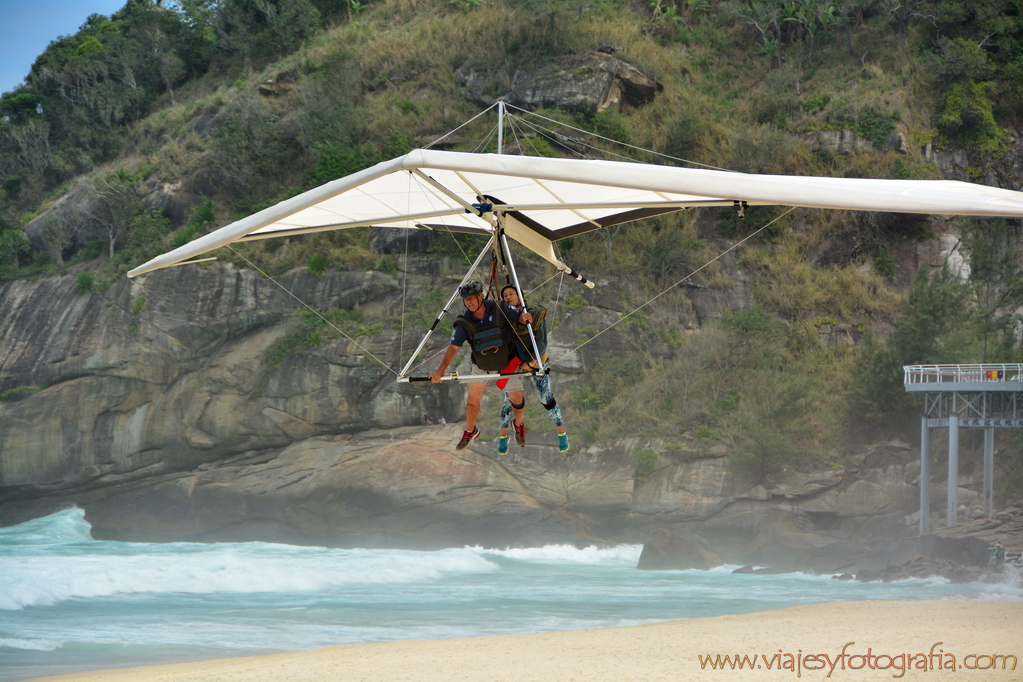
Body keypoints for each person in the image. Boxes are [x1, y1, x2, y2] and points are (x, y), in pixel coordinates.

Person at [430, 280, 533, 450]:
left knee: (517, 399)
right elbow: (454, 347)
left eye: (472, 298)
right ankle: (471, 431)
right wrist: (440, 370)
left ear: (480, 296)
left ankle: (518, 425)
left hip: (506, 363)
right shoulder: (464, 322)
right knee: (472, 402)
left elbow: (519, 315)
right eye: (465, 300)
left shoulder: (499, 307)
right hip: (481, 365)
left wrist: (524, 316)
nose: (469, 302)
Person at [495, 285, 569, 454]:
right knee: (510, 400)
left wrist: (532, 360)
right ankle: (503, 436)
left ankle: (562, 433)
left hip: (536, 359)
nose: (507, 297)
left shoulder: (534, 314)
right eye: (505, 295)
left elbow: (542, 340)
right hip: (515, 362)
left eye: (511, 294)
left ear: (520, 296)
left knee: (546, 397)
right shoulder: (504, 319)